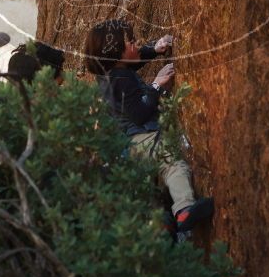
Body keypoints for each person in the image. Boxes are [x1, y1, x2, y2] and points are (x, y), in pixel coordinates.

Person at [84, 19, 213, 242]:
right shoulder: (120, 81)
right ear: (116, 52)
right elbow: (139, 113)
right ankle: (184, 211)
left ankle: (162, 225)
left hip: (128, 147)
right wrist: (156, 86)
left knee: (149, 192)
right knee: (172, 164)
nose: (136, 44)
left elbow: (133, 60)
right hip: (143, 140)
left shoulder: (111, 71)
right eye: (131, 42)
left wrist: (154, 49)